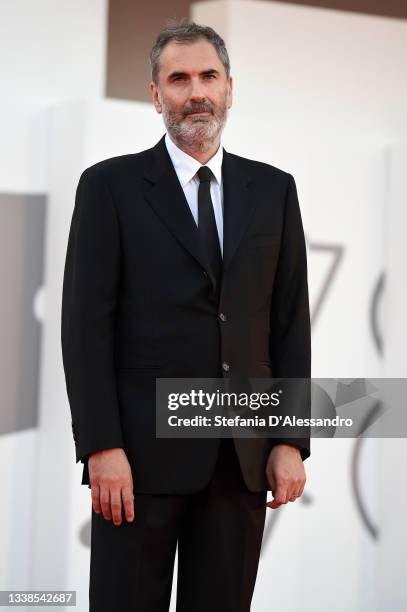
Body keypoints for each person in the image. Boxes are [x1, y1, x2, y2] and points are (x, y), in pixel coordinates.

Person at [61, 20, 311, 612]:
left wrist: (291, 439)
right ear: (155, 95)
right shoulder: (109, 187)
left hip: (239, 457)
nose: (195, 91)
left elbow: (288, 323)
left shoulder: (274, 190)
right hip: (137, 465)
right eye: (179, 78)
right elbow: (85, 327)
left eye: (208, 76)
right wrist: (101, 447)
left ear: (229, 89)